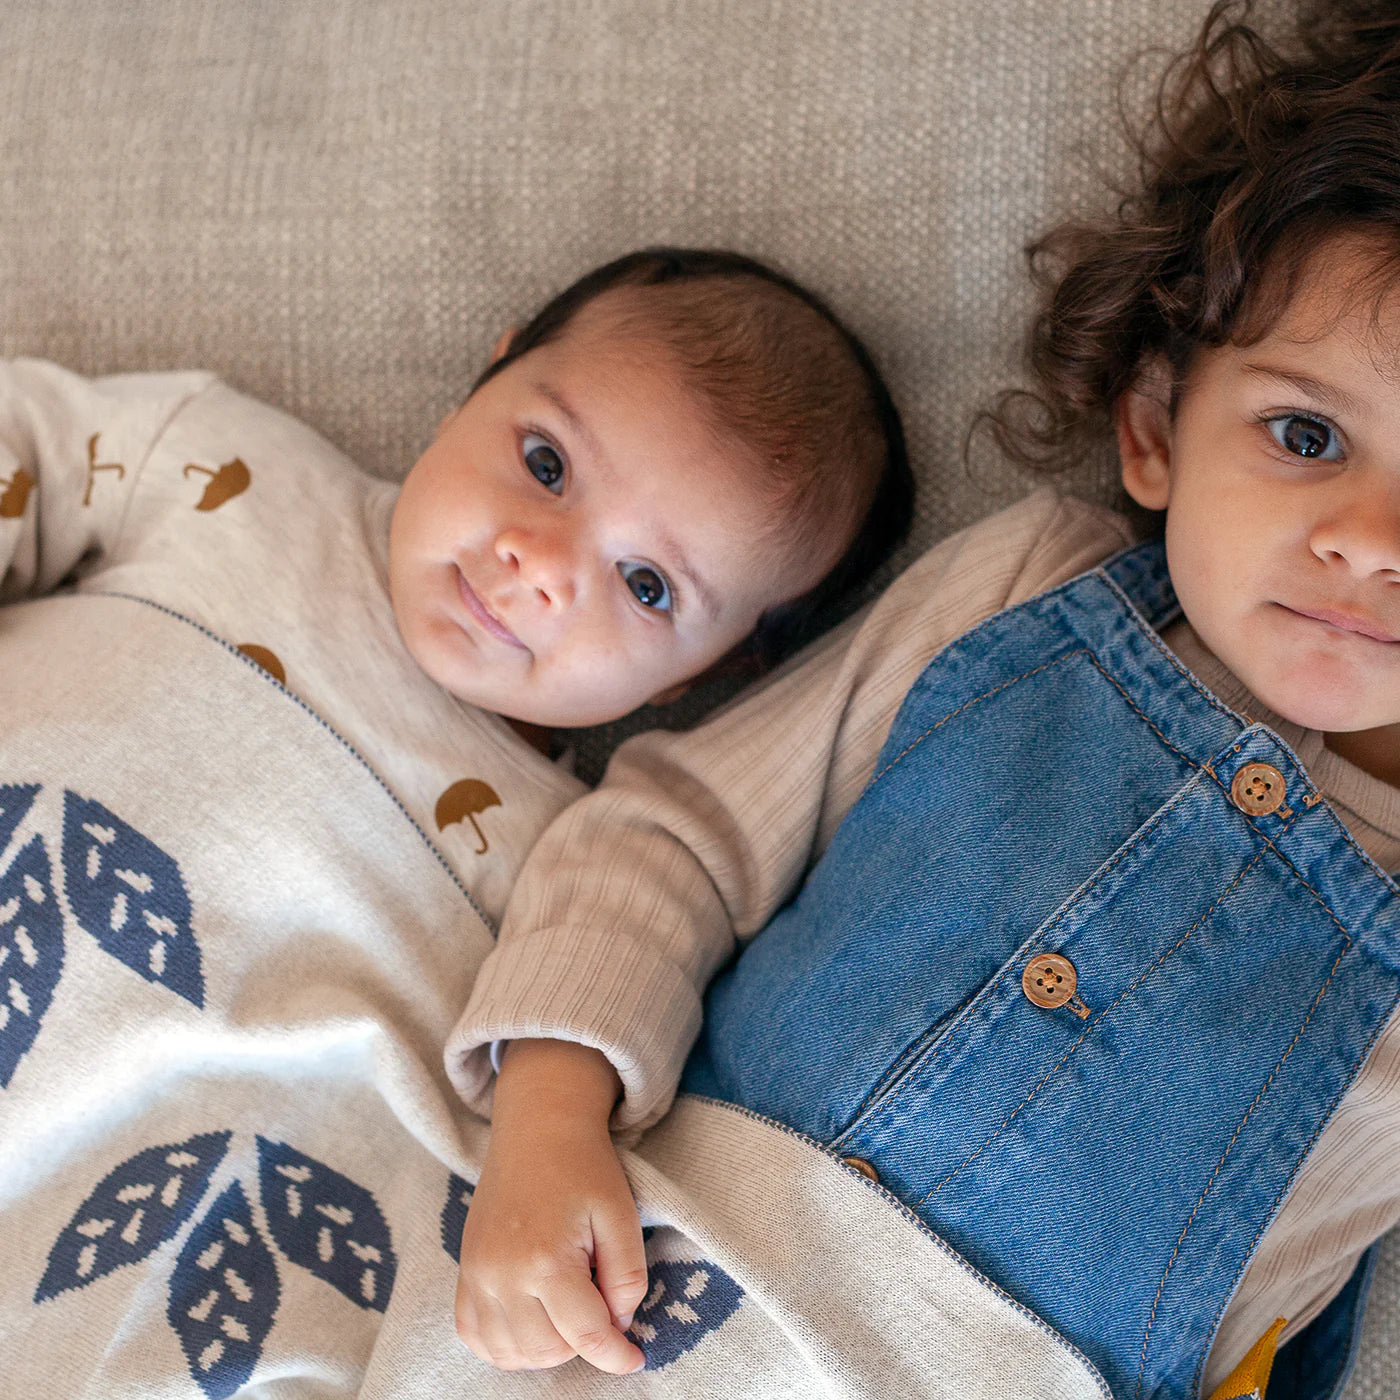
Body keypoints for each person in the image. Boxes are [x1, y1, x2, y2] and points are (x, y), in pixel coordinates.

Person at [448, 5, 1400, 1396]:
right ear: (1153, 429)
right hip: (634, 1310)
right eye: (1305, 435)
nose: (1372, 538)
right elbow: (679, 832)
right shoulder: (1027, 595)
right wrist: (547, 1113)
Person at [0, 248, 911, 1397]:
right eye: (544, 463)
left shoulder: (570, 875)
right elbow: (30, 433)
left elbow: (493, 1128)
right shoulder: (238, 472)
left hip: (112, 1221)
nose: (538, 565)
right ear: (490, 370)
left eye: (645, 586)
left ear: (699, 675)